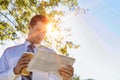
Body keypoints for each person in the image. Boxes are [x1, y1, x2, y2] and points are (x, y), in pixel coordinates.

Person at [0, 15, 74, 80]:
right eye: (38, 30)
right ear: (30, 27)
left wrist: (66, 78)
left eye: (44, 32)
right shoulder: (9, 52)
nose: (41, 35)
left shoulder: (51, 54)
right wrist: (14, 71)